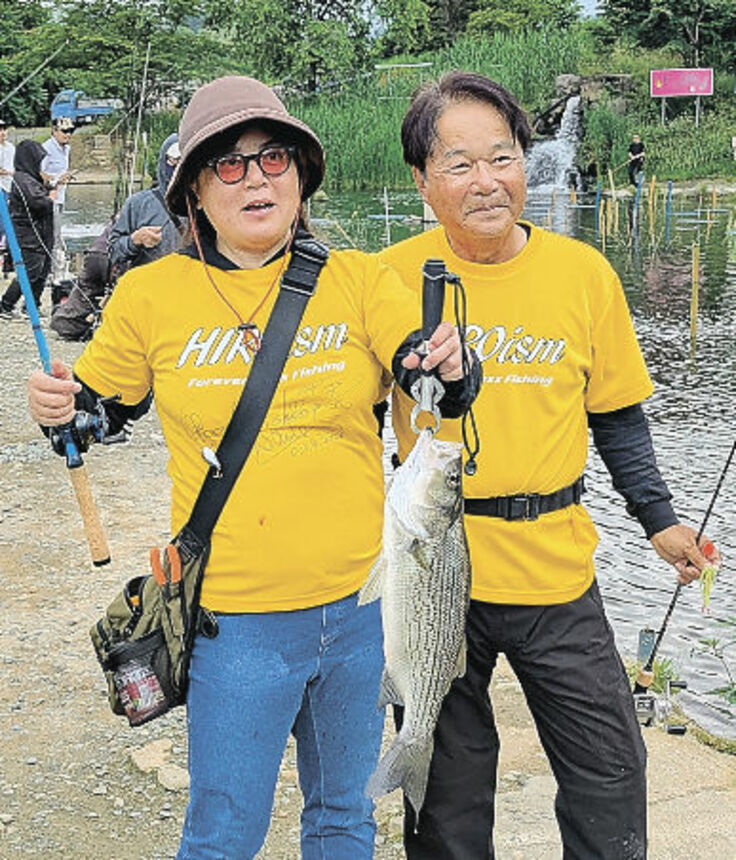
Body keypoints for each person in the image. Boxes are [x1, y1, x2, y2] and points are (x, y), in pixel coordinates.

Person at [26, 74, 479, 859]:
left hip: (360, 614)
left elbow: (428, 372)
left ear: (301, 176)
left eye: (274, 157)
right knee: (222, 833)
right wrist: (64, 412)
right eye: (228, 164)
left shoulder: (361, 280)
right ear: (195, 190)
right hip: (231, 625)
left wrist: (446, 362)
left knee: (343, 818)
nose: (256, 177)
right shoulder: (150, 295)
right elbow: (98, 413)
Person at [379, 71, 718, 860]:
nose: (487, 180)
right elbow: (337, 409)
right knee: (450, 794)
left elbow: (618, 418)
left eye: (503, 157)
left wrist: (660, 521)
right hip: (433, 571)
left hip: (555, 566)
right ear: (422, 180)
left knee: (611, 770)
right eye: (459, 163)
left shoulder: (584, 275)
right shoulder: (386, 278)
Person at [108, 134, 185, 272]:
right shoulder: (137, 204)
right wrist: (134, 240)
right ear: (163, 161)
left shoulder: (205, 203)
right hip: (149, 288)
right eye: (174, 160)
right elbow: (113, 253)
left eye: (184, 161)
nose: (178, 168)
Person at [0, 140, 55, 318]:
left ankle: (32, 306)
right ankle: (6, 305)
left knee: (43, 270)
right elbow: (38, 202)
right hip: (29, 235)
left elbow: (37, 191)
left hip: (42, 233)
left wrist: (49, 186)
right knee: (30, 271)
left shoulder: (30, 178)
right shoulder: (22, 179)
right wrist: (51, 198)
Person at [42, 116, 74, 291]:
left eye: (70, 131)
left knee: (57, 235)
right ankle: (53, 274)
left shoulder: (67, 149)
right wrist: (55, 180)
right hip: (49, 199)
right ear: (54, 131)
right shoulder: (46, 148)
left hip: (61, 198)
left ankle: (55, 272)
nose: (68, 135)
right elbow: (39, 173)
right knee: (53, 237)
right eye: (64, 131)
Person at [0, 118, 16, 266]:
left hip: (10, 187)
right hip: (1, 189)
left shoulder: (11, 148)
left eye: (4, 129)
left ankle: (8, 259)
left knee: (10, 222)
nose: (2, 132)